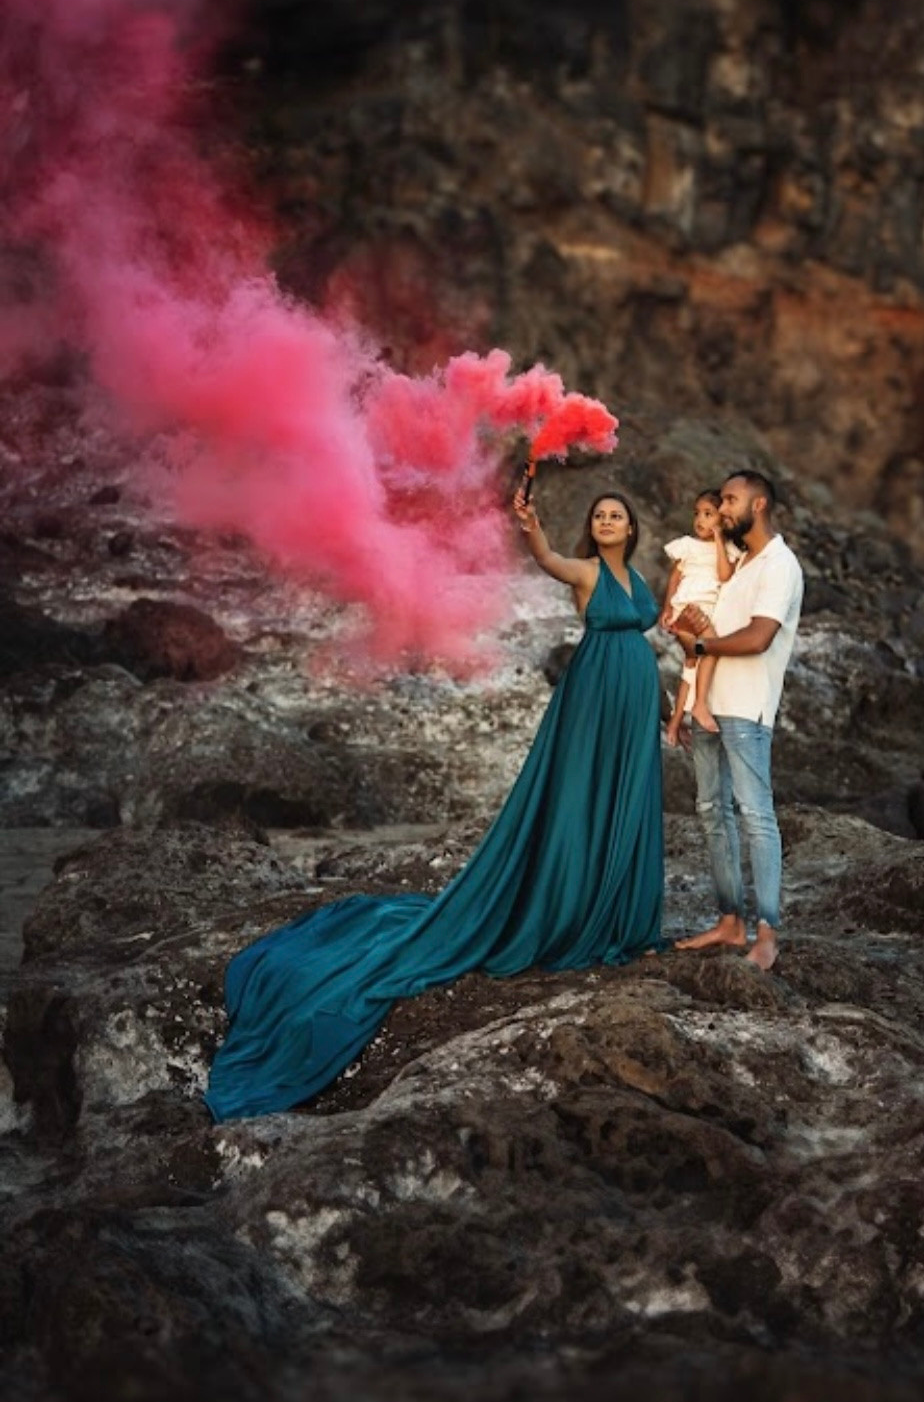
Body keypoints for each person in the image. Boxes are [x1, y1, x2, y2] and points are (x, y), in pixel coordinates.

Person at [204, 465, 664, 1122]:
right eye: (599, 517)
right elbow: (547, 558)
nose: (606, 523)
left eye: (615, 517)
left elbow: (655, 624)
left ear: (632, 526)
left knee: (624, 803)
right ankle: (569, 903)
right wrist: (529, 525)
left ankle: (611, 902)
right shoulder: (585, 573)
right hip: (594, 697)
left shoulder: (638, 579)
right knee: (576, 802)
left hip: (633, 697)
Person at [671, 468, 803, 973]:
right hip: (708, 704)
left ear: (760, 503)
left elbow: (758, 637)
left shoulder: (779, 565)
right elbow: (711, 628)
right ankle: (731, 922)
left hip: (746, 707)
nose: (723, 509)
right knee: (710, 811)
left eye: (730, 500)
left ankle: (767, 932)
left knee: (755, 815)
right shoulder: (739, 564)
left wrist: (702, 642)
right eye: (721, 500)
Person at [659, 489, 737, 745]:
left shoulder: (726, 549)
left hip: (706, 614)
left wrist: (718, 541)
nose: (700, 520)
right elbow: (675, 577)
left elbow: (725, 575)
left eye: (708, 514)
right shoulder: (687, 546)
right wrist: (668, 608)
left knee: (691, 664)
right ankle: (701, 704)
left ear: (722, 520)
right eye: (697, 514)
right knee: (712, 647)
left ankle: (674, 723)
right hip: (687, 608)